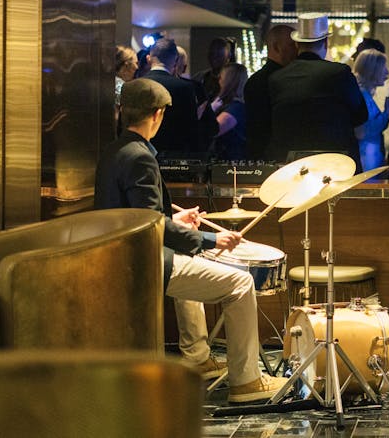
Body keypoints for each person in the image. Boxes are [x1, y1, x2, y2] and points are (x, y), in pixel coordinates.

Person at [94, 78, 289, 403]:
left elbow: (139, 216)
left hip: (120, 255)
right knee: (240, 283)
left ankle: (197, 359)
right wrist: (213, 239)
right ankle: (246, 383)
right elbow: (149, 225)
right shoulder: (140, 157)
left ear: (122, 111)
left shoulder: (113, 151)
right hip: (141, 263)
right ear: (157, 115)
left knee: (195, 267)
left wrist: (175, 222)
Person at [266, 13, 368, 166]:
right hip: (337, 162)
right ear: (326, 42)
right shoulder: (339, 72)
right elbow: (361, 116)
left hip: (292, 165)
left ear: (296, 44)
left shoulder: (277, 78)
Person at [143, 38, 213, 155]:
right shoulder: (184, 87)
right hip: (174, 156)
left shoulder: (133, 86)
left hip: (142, 154)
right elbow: (190, 130)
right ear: (175, 61)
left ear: (148, 59)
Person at [243, 25, 296, 160]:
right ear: (276, 47)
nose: (296, 50)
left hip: (261, 155)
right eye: (291, 45)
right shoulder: (286, 79)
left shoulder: (255, 81)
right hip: (280, 155)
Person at [352, 49, 389, 170]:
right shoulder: (362, 96)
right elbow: (363, 130)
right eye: (383, 67)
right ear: (372, 70)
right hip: (366, 161)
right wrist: (386, 114)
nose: (386, 72)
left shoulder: (363, 94)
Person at [210, 62, 248, 161]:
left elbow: (211, 130)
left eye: (221, 78)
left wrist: (209, 110)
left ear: (229, 82)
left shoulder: (236, 108)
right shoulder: (233, 106)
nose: (219, 81)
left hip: (231, 166)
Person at [194, 37, 235, 103]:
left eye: (219, 55)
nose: (214, 58)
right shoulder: (200, 77)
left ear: (228, 57)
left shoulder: (233, 80)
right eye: (212, 54)